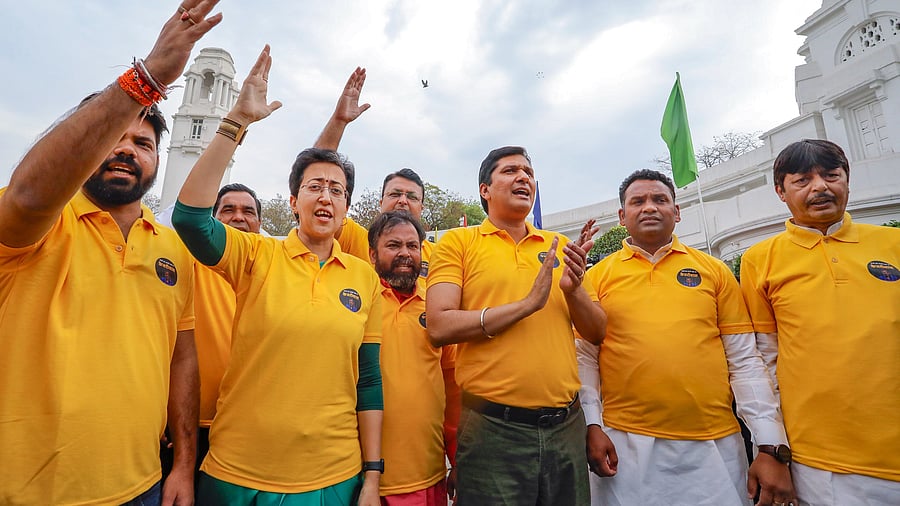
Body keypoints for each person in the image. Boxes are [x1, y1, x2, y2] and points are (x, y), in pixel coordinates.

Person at [0, 2, 221, 504]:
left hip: (140, 486)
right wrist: (145, 79)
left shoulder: (172, 249)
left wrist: (182, 465)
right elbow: (29, 195)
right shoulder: (34, 225)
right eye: (113, 137)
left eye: (143, 142)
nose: (127, 149)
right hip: (26, 491)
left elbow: (181, 361)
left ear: (158, 159)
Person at [171, 46, 384, 506]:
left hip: (331, 478)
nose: (325, 196)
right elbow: (189, 219)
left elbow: (368, 382)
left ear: (347, 209)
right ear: (292, 202)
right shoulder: (254, 254)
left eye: (337, 190)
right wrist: (237, 122)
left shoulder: (364, 278)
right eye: (313, 187)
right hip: (235, 474)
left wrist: (371, 476)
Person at [576, 169, 794, 506]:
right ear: (622, 216)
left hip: (713, 447)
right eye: (638, 201)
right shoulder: (597, 277)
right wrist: (592, 425)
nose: (649, 207)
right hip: (624, 445)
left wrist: (767, 443)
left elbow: (744, 361)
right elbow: (585, 359)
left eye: (660, 200)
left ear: (676, 212)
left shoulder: (714, 271)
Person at [426, 146, 606, 505]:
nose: (523, 177)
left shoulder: (560, 247)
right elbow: (439, 325)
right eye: (510, 171)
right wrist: (525, 306)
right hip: (493, 429)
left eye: (528, 171)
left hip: (566, 426)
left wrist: (573, 293)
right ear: (484, 189)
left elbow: (597, 331)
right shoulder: (458, 243)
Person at [740, 139, 900, 505]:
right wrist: (772, 448)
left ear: (847, 180)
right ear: (780, 191)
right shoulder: (760, 260)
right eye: (802, 180)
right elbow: (762, 360)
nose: (820, 187)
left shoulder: (893, 244)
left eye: (831, 175)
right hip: (821, 461)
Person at [368, 210, 460, 505]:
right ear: (372, 254)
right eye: (393, 246)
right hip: (362, 477)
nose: (405, 254)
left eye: (412, 246)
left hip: (427, 475)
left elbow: (452, 387)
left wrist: (457, 459)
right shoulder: (356, 303)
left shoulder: (438, 308)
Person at [312, 68, 434, 271]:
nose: (402, 200)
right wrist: (339, 122)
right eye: (395, 194)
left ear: (422, 207)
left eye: (412, 197)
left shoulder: (440, 255)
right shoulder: (355, 238)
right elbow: (314, 174)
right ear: (381, 202)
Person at [195, 183, 262, 472]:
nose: (238, 217)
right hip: (193, 428)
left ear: (259, 224)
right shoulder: (191, 262)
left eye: (248, 211)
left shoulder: (274, 272)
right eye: (228, 210)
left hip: (254, 429)